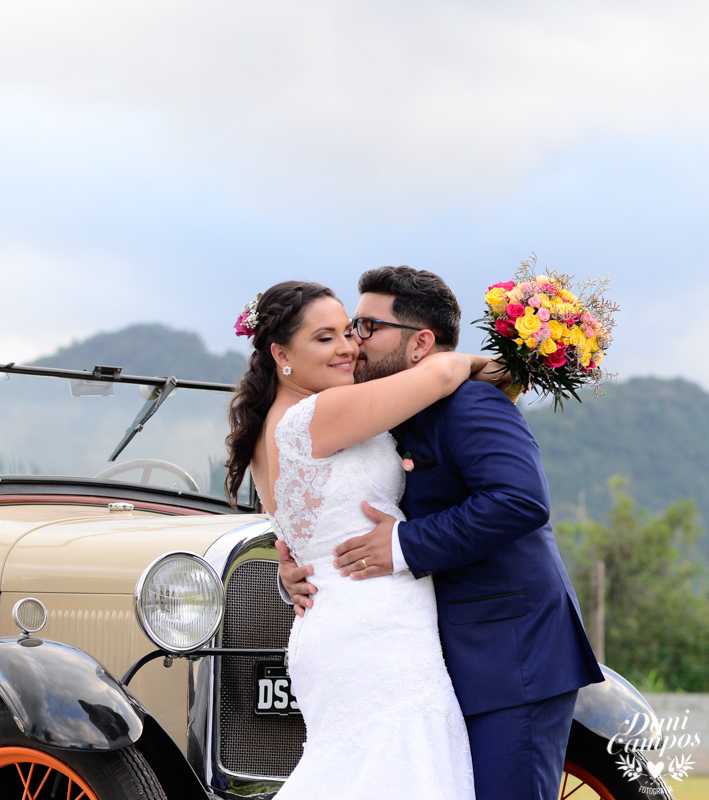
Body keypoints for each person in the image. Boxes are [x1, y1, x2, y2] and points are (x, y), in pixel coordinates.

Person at [278, 266, 604, 800]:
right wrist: (302, 564)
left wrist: (403, 544)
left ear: (419, 343)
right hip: (433, 660)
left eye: (366, 327)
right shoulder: (391, 413)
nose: (354, 343)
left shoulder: (472, 403)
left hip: (509, 655)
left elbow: (520, 501)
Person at [225, 279, 502, 799]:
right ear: (281, 353)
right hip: (374, 633)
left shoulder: (276, 423)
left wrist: (292, 573)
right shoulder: (314, 415)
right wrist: (500, 367)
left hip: (348, 621)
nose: (349, 347)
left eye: (349, 331)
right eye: (324, 338)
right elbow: (441, 370)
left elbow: (308, 536)